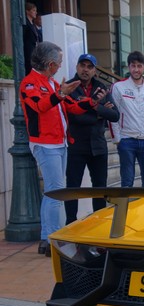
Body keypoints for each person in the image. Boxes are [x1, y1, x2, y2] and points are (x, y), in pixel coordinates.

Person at [19, 42, 104, 256]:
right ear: (49, 64)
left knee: (54, 191)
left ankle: (48, 238)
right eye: (58, 63)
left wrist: (91, 102)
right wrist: (61, 93)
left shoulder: (50, 82)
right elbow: (40, 106)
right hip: (46, 144)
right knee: (55, 192)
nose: (59, 67)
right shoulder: (30, 84)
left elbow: (70, 107)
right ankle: (52, 239)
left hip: (59, 142)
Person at [65, 54, 120, 224]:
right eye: (83, 65)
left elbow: (115, 115)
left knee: (99, 189)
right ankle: (71, 223)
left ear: (94, 70)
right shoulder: (69, 87)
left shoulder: (101, 86)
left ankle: (98, 224)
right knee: (73, 188)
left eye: (89, 66)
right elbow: (74, 117)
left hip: (98, 146)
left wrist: (93, 107)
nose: (85, 69)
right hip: (76, 145)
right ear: (77, 67)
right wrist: (99, 110)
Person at [110, 51, 144, 187]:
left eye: (139, 66)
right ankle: (126, 208)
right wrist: (117, 139)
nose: (136, 69)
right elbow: (113, 115)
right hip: (127, 140)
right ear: (128, 67)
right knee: (127, 181)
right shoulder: (118, 87)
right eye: (133, 66)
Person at [23, 2, 42, 75]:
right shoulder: (25, 23)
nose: (36, 13)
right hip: (28, 53)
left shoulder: (34, 25)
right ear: (27, 11)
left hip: (36, 53)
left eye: (36, 11)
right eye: (33, 10)